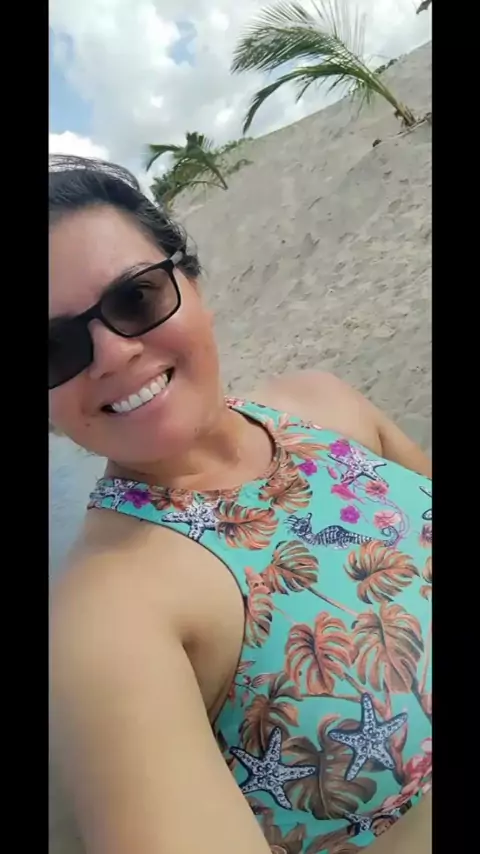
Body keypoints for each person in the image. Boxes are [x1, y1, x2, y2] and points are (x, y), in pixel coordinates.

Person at [49, 155, 432, 854]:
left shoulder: (325, 403)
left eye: (135, 298)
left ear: (191, 283)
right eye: (54, 348)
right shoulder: (108, 620)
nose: (113, 353)